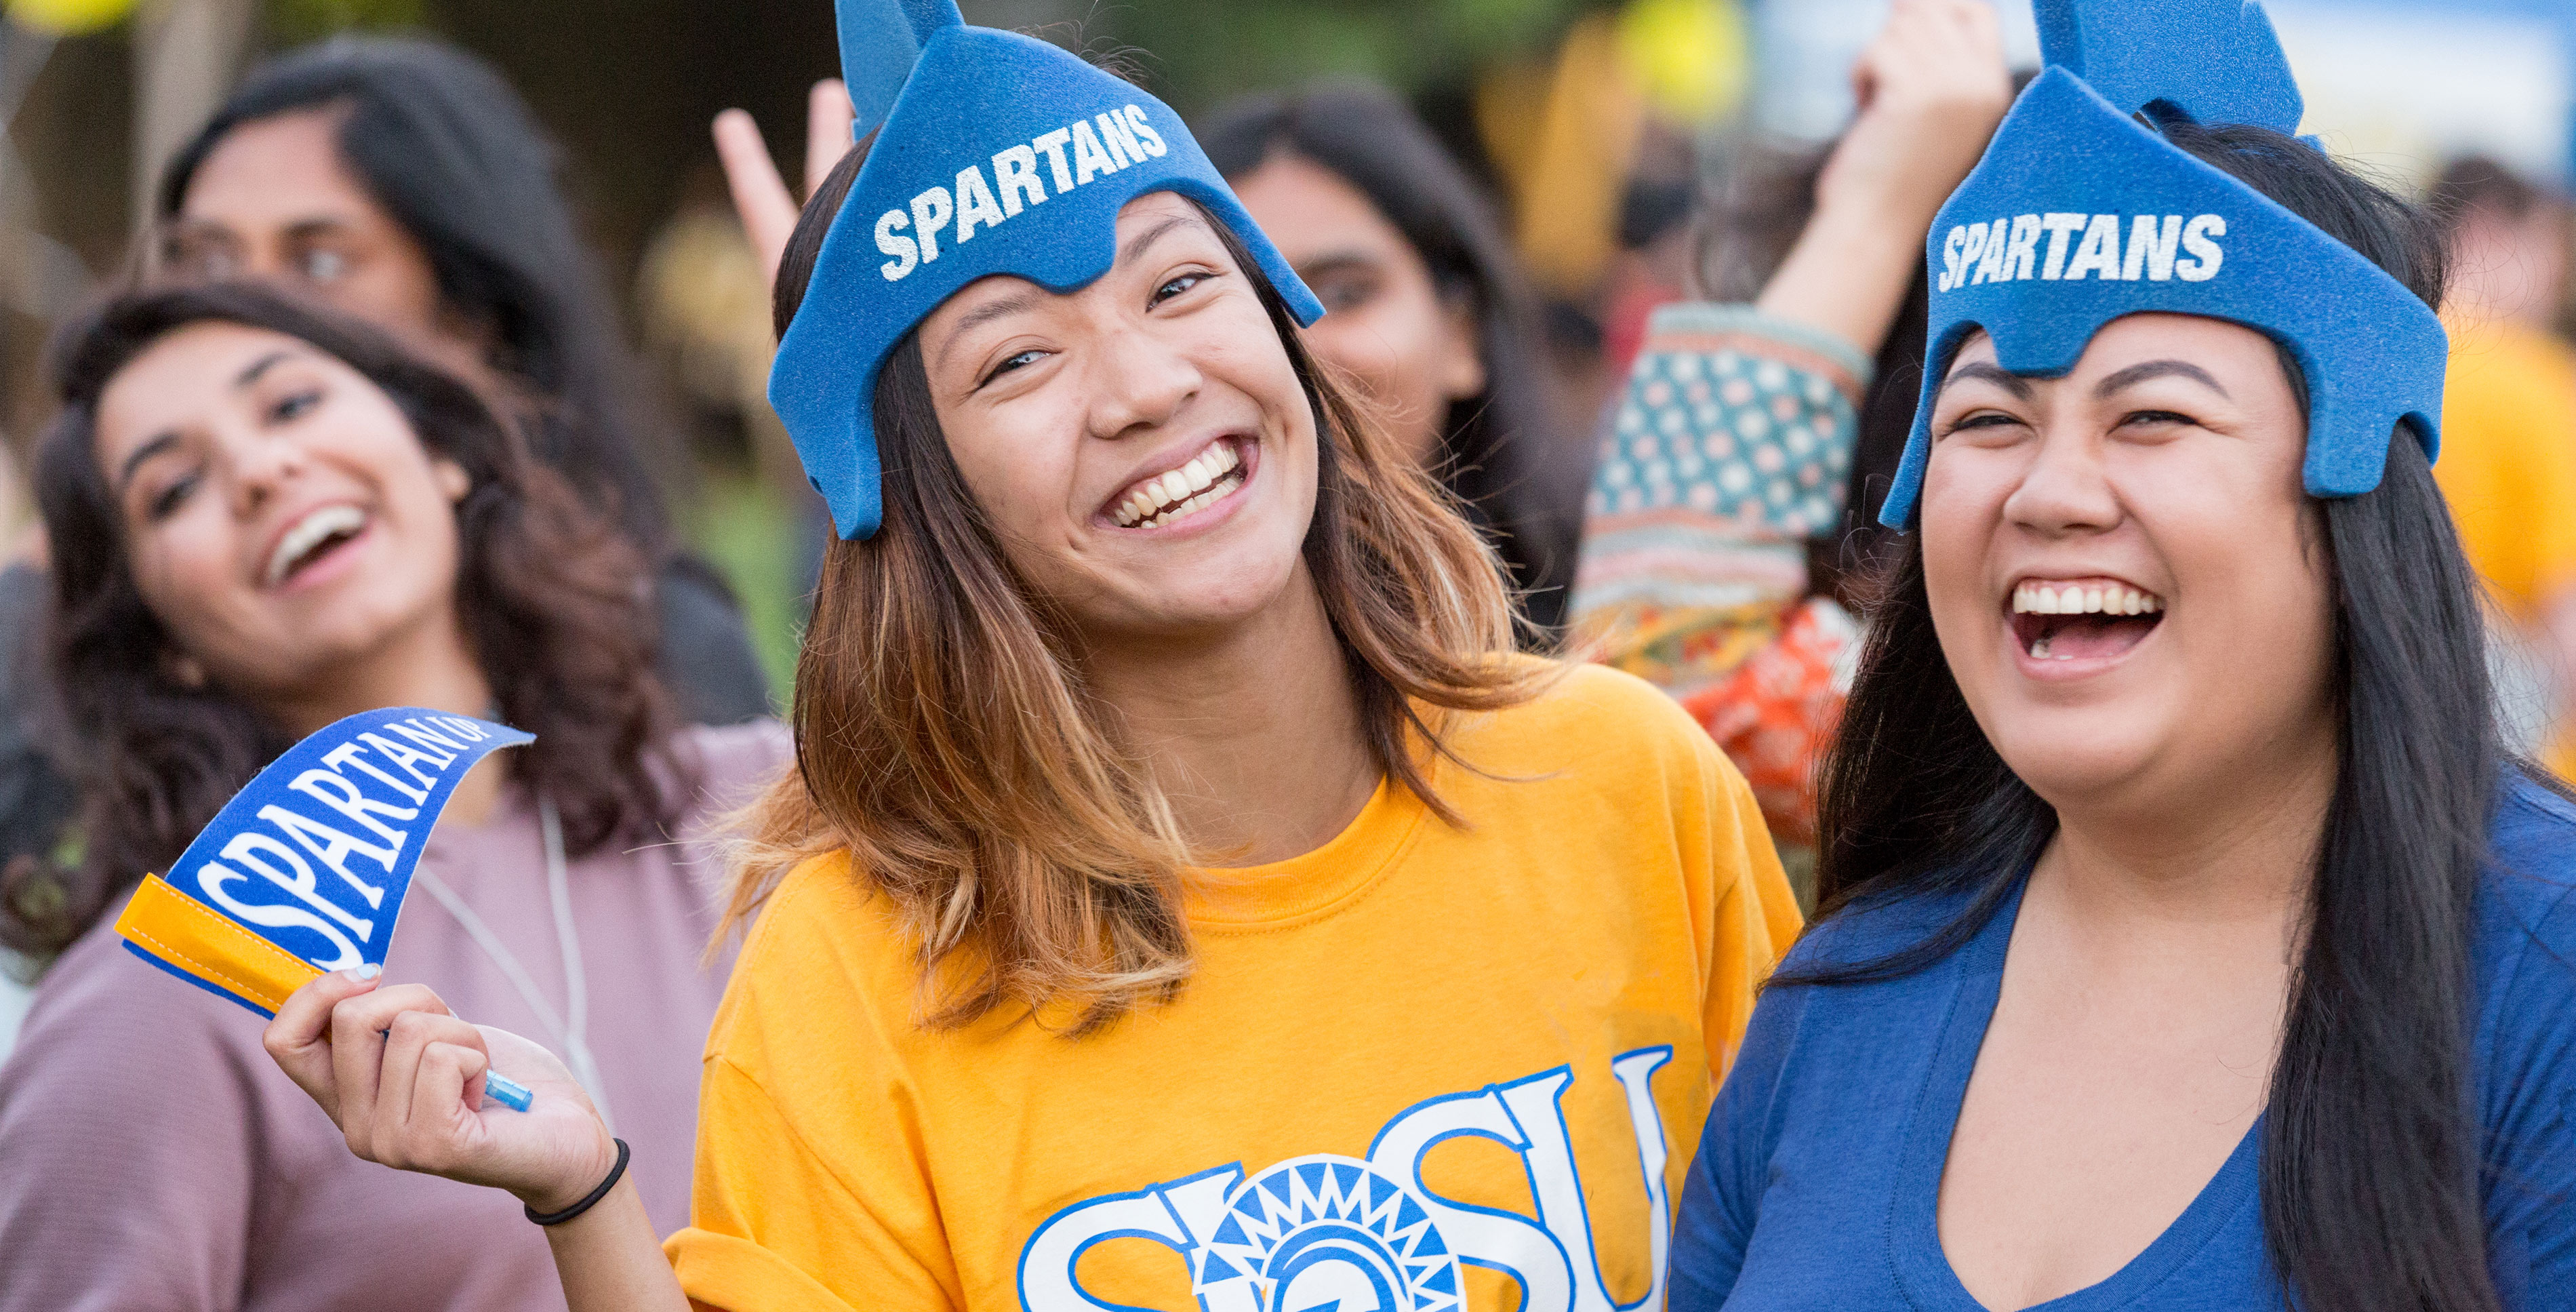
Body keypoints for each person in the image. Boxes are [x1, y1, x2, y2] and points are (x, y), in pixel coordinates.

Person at [256, 6, 1801, 1309]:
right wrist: (583, 1193)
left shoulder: (1623, 781)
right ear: (918, 506)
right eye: (1014, 358)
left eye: (1179, 284)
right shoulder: (850, 978)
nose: (1145, 385)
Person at [1672, 3, 2576, 1310]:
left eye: (2153, 416)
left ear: (2351, 495)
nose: (2050, 493)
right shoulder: (1841, 995)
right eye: (1987, 421)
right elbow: (1668, 646)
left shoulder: (2544, 986)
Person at [0, 285, 788, 1309]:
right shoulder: (156, 1000)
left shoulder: (773, 799)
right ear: (158, 637)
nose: (260, 469)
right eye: (173, 489)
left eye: (291, 404)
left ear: (442, 453)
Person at [150, 35, 769, 728]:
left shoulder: (662, 654)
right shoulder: (127, 659)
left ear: (473, 313)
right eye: (205, 263)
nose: (241, 309)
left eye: (319, 263)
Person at [1569, 0, 2012, 867]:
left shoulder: (1994, 720)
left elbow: (1669, 668)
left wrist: (1873, 211)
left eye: (2150, 415)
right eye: (1994, 417)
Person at [1203, 83, 1588, 635]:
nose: (1295, 352)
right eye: (1246, 306)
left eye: (1344, 294)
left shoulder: (1631, 632)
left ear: (1461, 333)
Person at [2424, 157, 2576, 770]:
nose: (2557, 284)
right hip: (2531, 773)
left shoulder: (2374, 366)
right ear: (2488, 230)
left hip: (2403, 751)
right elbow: (2564, 602)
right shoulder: (2534, 378)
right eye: (2551, 252)